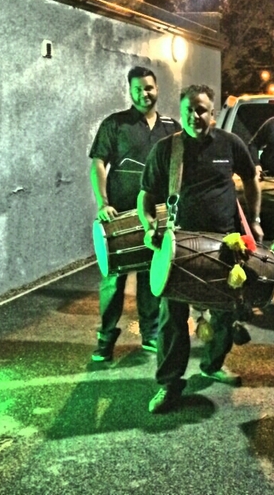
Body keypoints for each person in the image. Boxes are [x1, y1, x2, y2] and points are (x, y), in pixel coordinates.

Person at [139, 84, 263, 414]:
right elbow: (145, 196)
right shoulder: (168, 149)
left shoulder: (230, 143)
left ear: (213, 113)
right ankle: (169, 384)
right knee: (172, 319)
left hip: (225, 243)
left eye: (201, 110)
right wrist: (149, 225)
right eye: (188, 110)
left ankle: (212, 364)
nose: (195, 116)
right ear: (181, 113)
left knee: (224, 312)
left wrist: (255, 219)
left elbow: (251, 178)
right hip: (179, 246)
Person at [88, 66, 179, 362]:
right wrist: (103, 203)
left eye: (149, 87)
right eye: (138, 89)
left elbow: (181, 166)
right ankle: (105, 338)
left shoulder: (171, 128)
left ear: (157, 88)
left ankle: (150, 333)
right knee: (113, 280)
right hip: (121, 216)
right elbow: (98, 164)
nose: (144, 94)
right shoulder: (115, 124)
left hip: (156, 215)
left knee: (150, 275)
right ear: (130, 91)